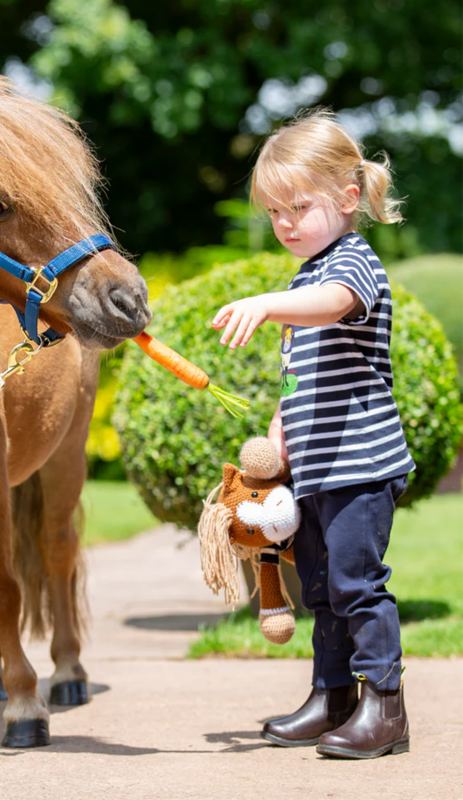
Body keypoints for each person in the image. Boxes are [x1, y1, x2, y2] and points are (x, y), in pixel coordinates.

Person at [212, 109, 415, 759]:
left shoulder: (351, 264)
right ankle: (333, 696)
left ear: (348, 198)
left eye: (298, 206)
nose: (285, 223)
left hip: (362, 466)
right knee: (323, 588)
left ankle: (385, 705)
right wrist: (278, 438)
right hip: (322, 469)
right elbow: (302, 381)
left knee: (358, 583)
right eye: (274, 213)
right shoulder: (305, 277)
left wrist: (267, 304)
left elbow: (336, 304)